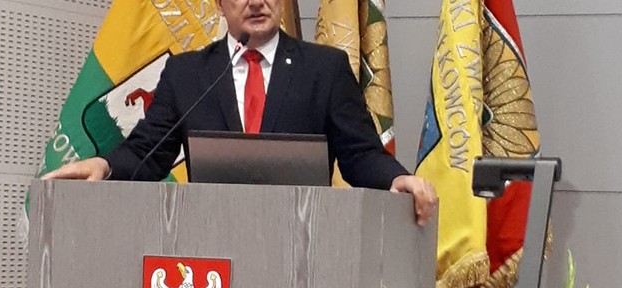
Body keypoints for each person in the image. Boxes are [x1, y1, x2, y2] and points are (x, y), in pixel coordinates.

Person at [43, 0, 437, 226]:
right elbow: (148, 151)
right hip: (209, 242)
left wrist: (396, 178)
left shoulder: (325, 69)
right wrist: (104, 165)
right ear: (219, 4)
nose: (256, 1)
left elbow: (360, 154)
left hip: (303, 239)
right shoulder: (187, 74)